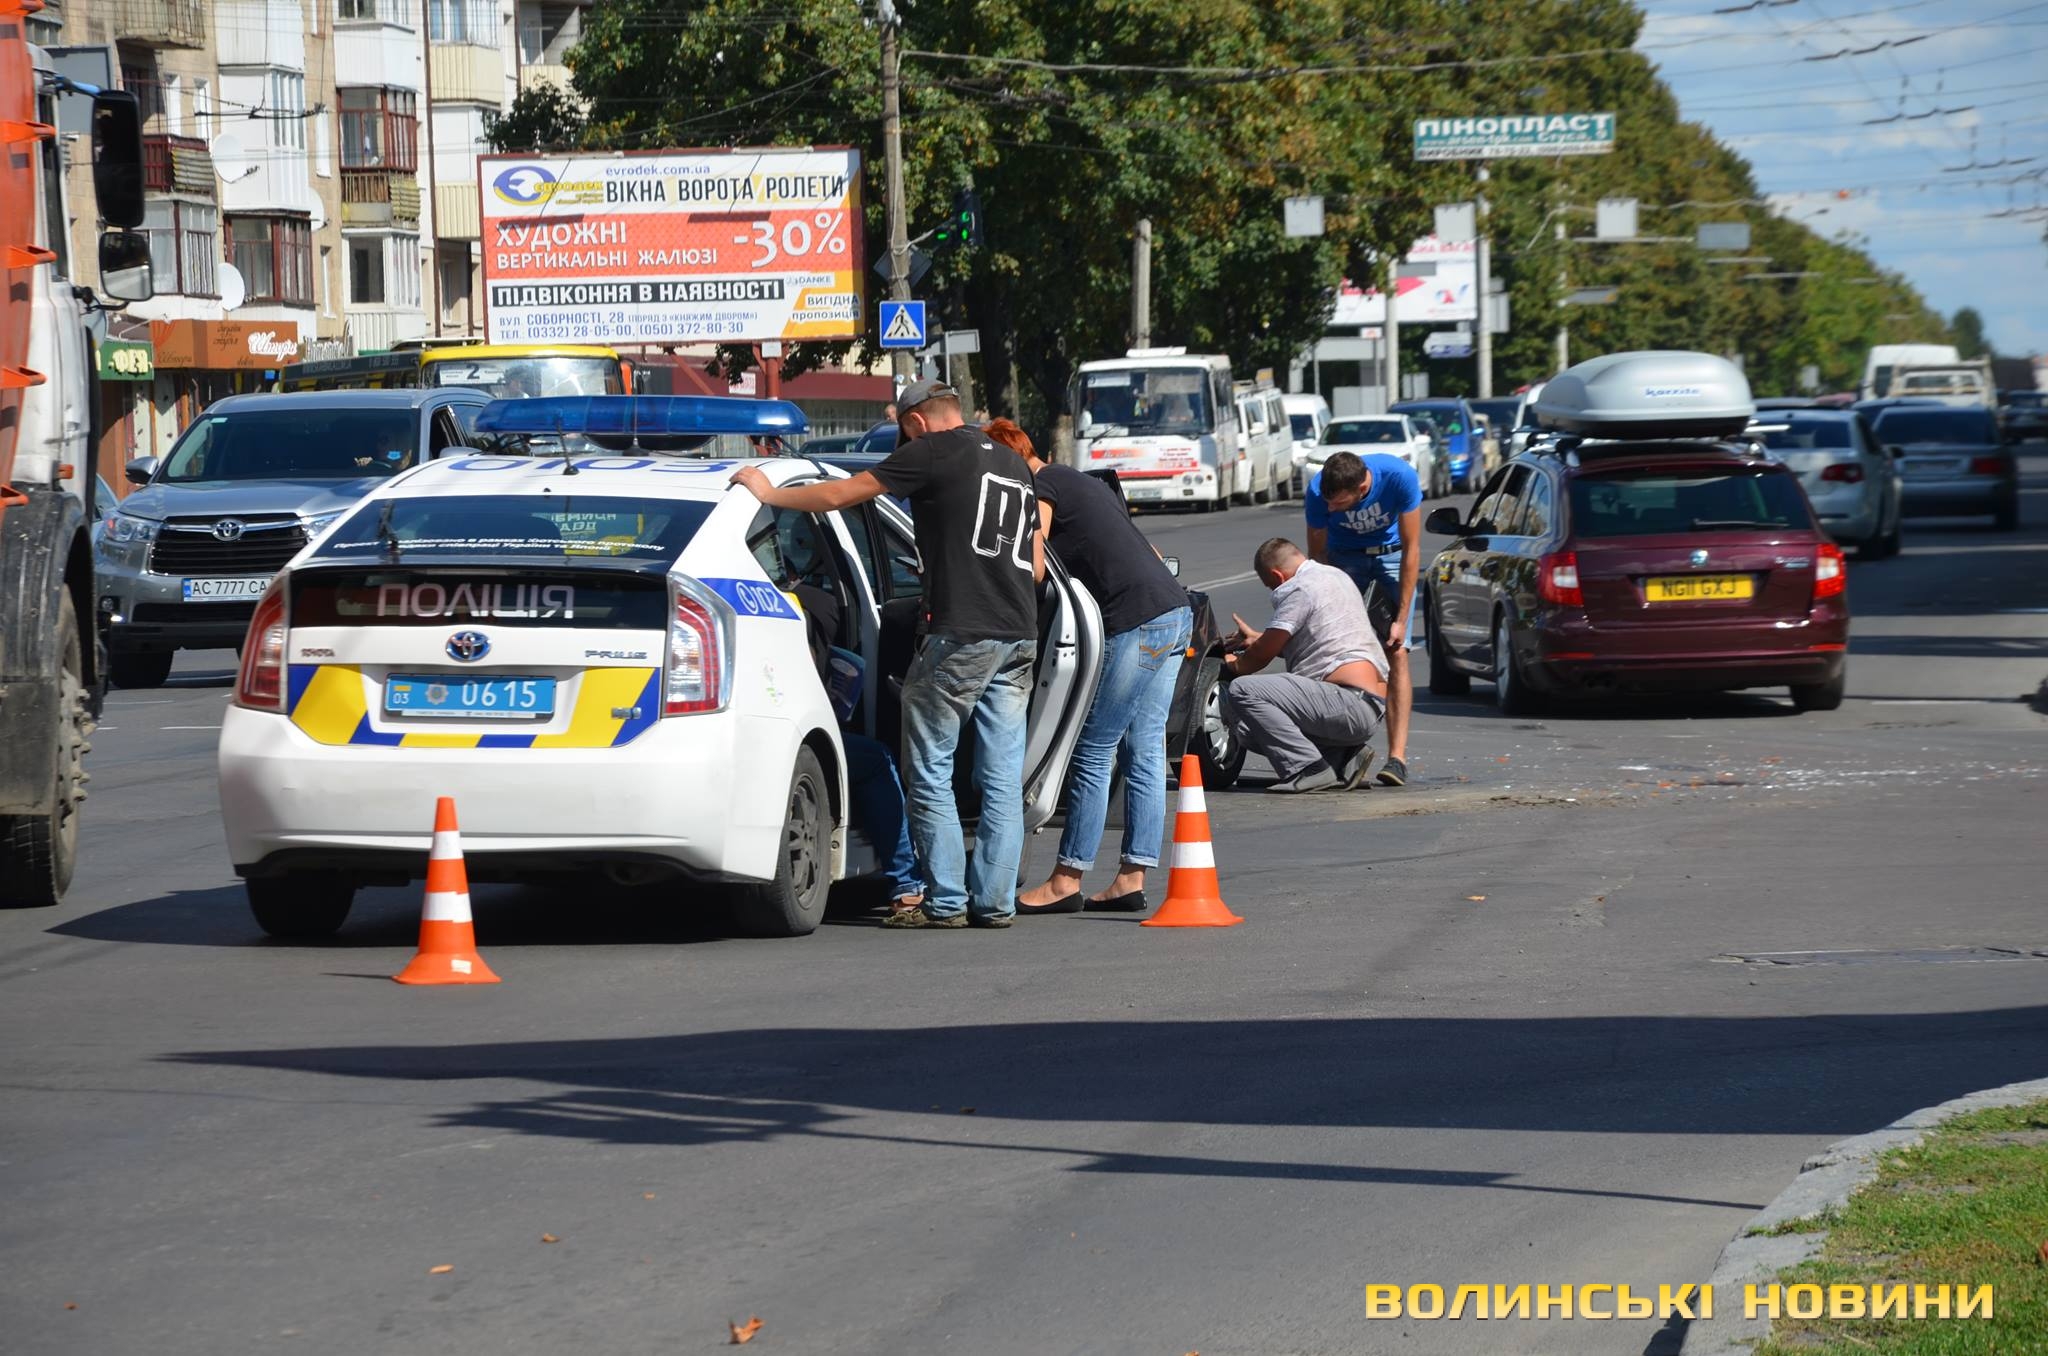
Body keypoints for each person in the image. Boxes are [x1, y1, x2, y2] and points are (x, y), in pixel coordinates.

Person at [730, 378, 1043, 930]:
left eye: (904, 431)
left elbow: (838, 496)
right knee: (999, 777)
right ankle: (995, 902)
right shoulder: (1011, 462)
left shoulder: (933, 451)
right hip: (1019, 633)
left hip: (961, 633)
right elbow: (1036, 567)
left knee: (930, 768)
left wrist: (768, 493)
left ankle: (946, 901)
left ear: (917, 421)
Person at [986, 419, 1192, 916]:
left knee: (1094, 750)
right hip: (1174, 610)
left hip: (1137, 621)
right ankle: (1131, 877)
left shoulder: (1042, 487)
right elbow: (1150, 551)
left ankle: (1066, 879)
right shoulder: (1083, 482)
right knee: (1144, 749)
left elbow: (1034, 566)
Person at [1221, 538, 1389, 794]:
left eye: (1271, 586)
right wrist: (1257, 639)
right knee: (1251, 728)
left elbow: (1261, 656)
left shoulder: (1299, 588)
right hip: (1369, 707)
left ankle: (1309, 768)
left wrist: (1235, 665)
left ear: (1277, 576)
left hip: (1344, 702)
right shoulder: (1335, 576)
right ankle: (1341, 757)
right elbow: (1313, 643)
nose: (1273, 590)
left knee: (1244, 691)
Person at [1303, 448, 1422, 787]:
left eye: (1339, 504)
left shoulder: (1399, 477)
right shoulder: (1318, 491)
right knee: (1338, 652)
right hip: (1345, 559)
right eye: (1329, 503)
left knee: (1396, 651)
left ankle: (1397, 758)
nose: (1331, 510)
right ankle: (1342, 751)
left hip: (1391, 557)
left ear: (1363, 488)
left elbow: (1412, 549)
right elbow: (1318, 555)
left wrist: (1401, 618)